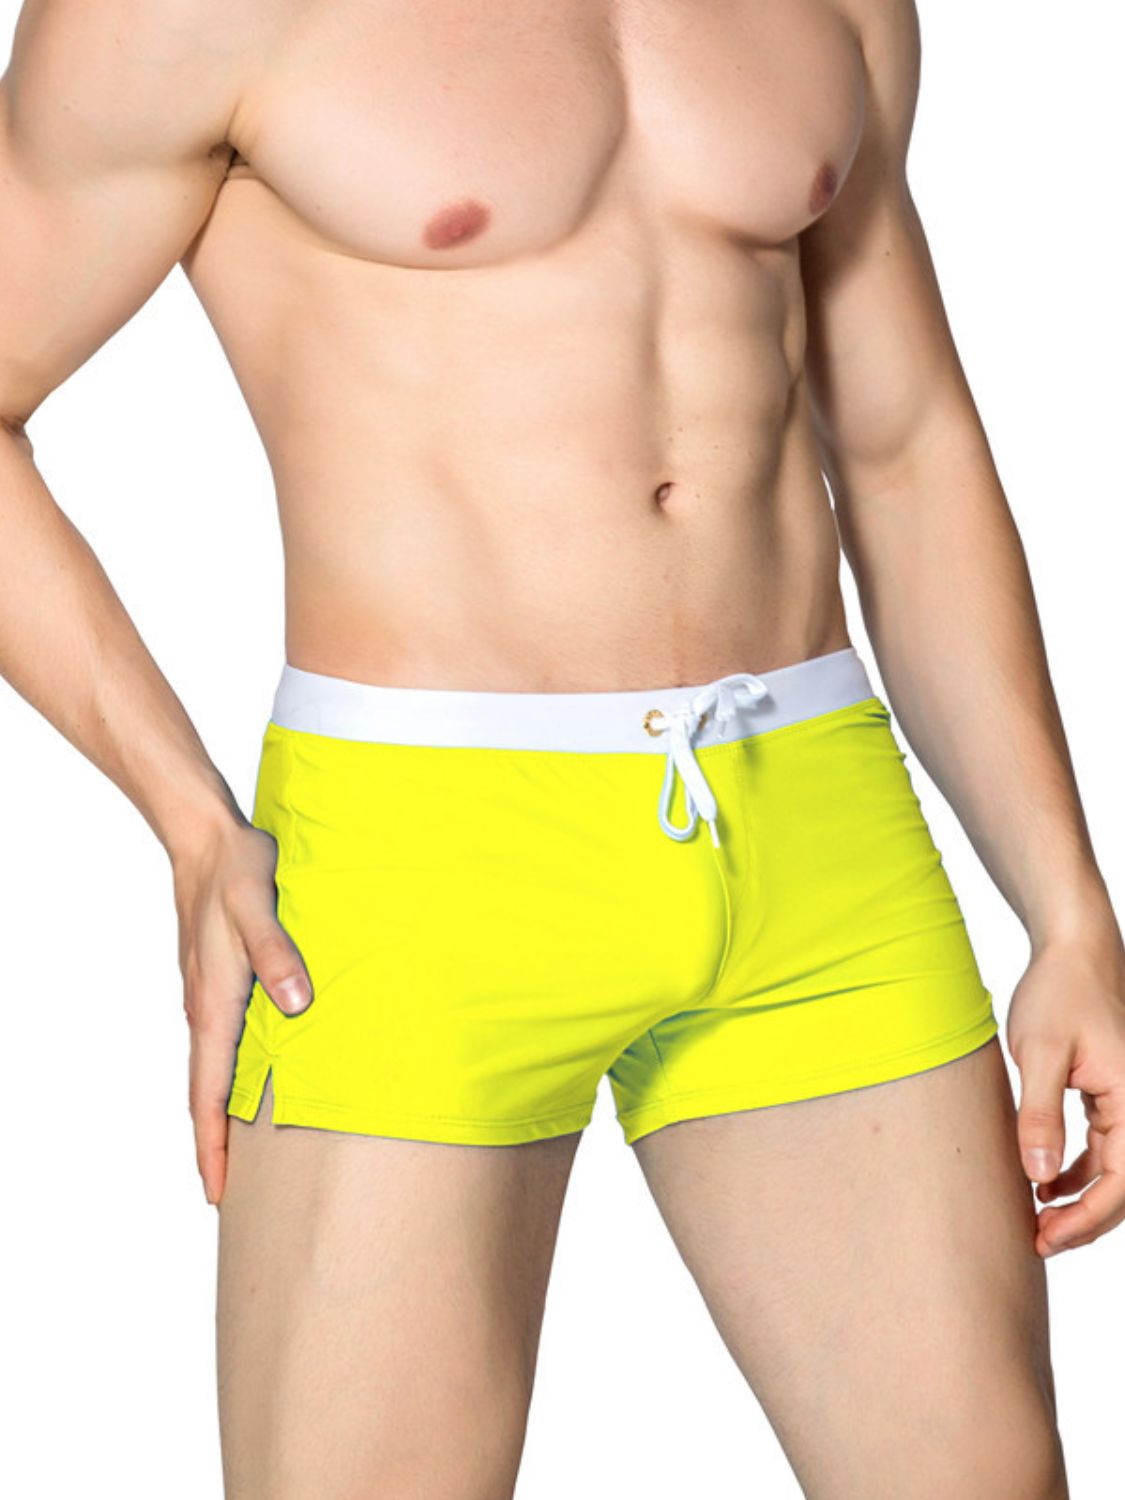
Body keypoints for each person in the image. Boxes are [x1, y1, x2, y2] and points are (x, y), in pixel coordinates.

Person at [1, 0, 1120, 1495]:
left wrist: (1067, 907)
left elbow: (901, 442)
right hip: (423, 861)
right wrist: (192, 822)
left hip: (815, 836)